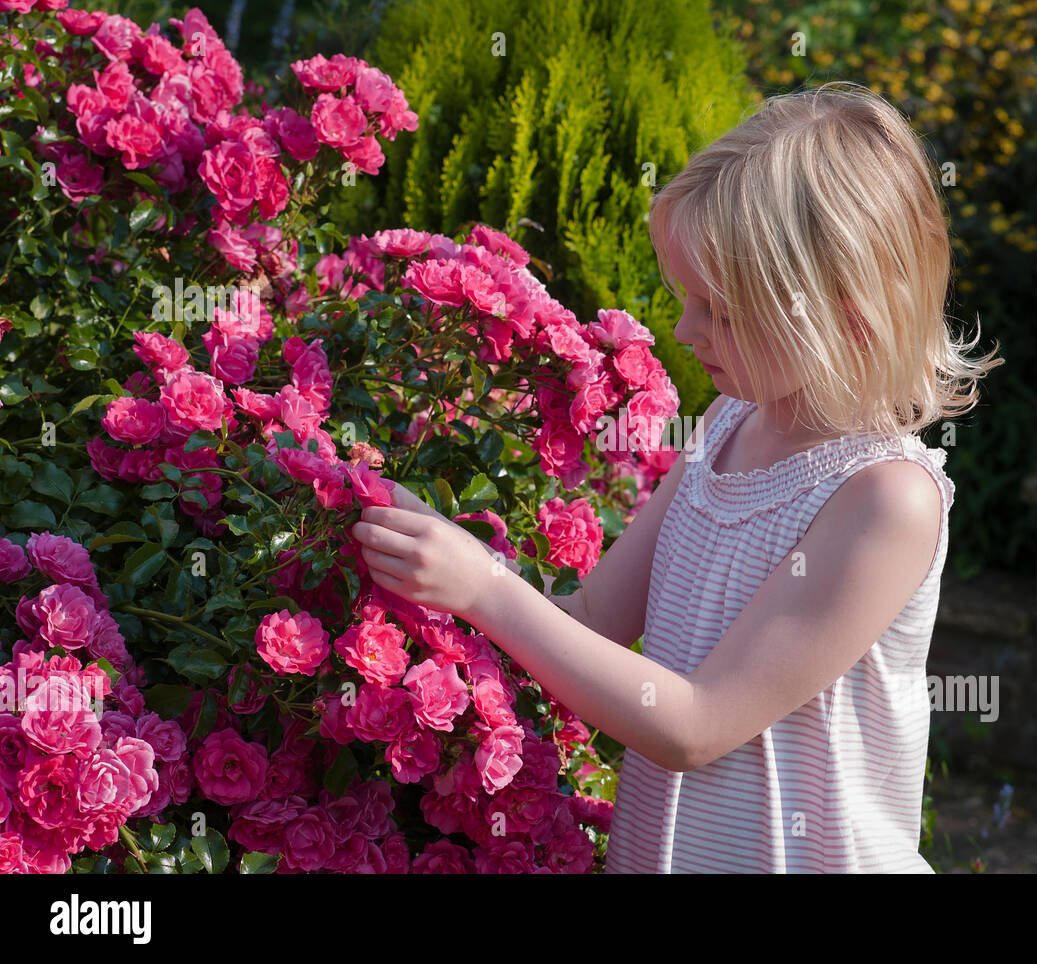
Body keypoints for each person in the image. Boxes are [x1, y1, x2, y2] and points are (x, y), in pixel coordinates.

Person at [351, 81, 1002, 873]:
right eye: (687, 298)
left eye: (722, 310)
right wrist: (436, 552)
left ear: (847, 313)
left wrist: (485, 589)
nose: (687, 330)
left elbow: (697, 725)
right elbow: (591, 618)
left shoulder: (884, 498)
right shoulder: (728, 428)